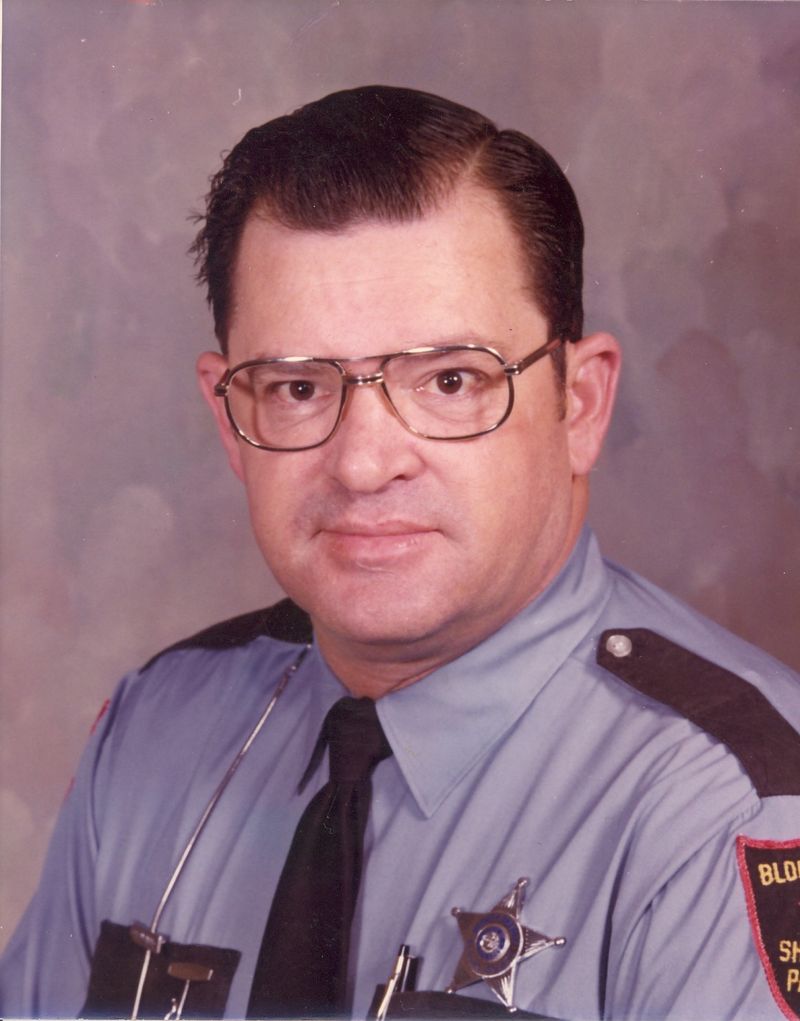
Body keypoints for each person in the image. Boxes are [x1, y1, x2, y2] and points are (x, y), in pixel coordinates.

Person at [1, 85, 798, 1021]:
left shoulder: (726, 807)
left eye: (451, 380)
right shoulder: (153, 735)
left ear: (578, 405)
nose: (364, 462)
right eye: (298, 388)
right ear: (231, 418)